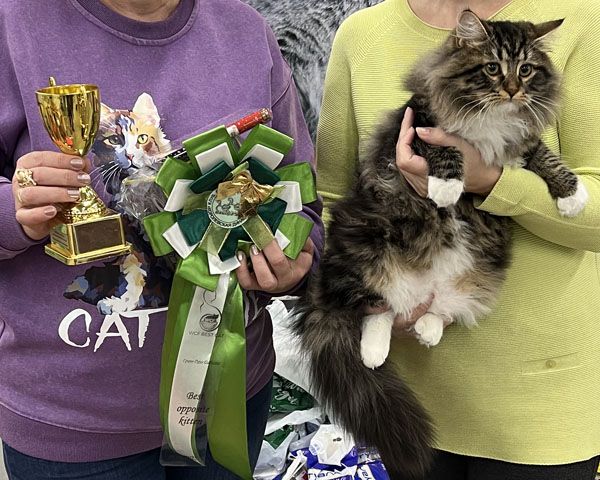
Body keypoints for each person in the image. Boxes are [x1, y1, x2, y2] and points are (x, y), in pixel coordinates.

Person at [0, 0, 323, 479]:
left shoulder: (247, 31)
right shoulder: (11, 24)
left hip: (229, 402)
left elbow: (303, 204)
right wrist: (15, 211)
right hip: (74, 428)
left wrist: (294, 262)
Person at [317, 0, 600, 478]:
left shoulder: (582, 17)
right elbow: (331, 198)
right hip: (409, 391)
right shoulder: (361, 33)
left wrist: (490, 181)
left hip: (542, 403)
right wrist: (361, 296)